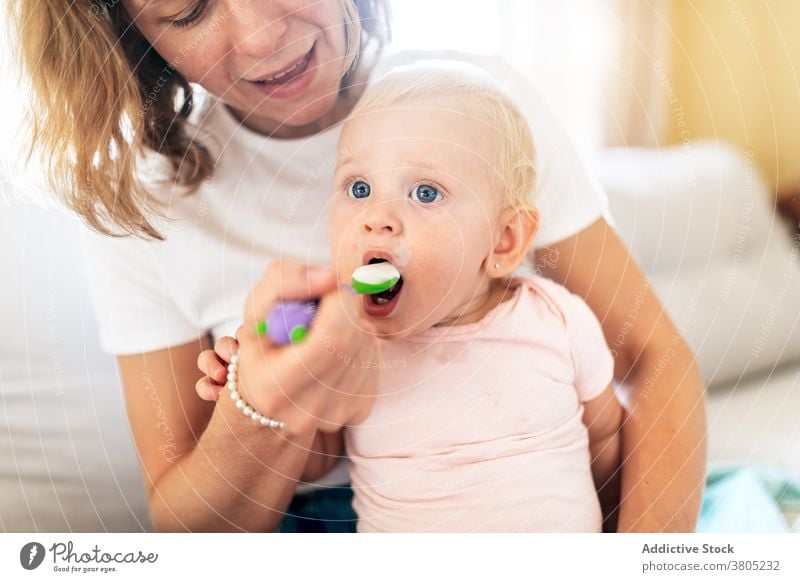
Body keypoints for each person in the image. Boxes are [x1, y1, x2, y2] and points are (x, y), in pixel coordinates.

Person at [11, 0, 706, 532]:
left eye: (428, 194)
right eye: (188, 10)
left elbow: (651, 363)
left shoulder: (475, 105)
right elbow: (184, 520)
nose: (260, 37)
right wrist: (261, 410)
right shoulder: (144, 198)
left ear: (507, 238)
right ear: (136, 36)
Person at [256, 63, 625, 532]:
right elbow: (314, 463)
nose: (378, 218)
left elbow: (607, 436)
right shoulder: (347, 346)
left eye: (426, 192)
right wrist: (279, 388)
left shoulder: (557, 319)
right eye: (359, 188)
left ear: (504, 241)